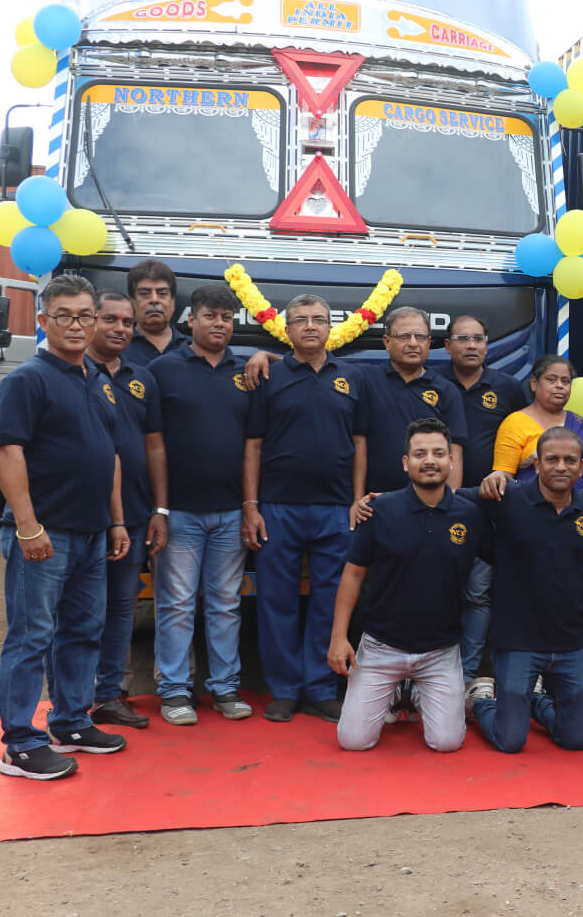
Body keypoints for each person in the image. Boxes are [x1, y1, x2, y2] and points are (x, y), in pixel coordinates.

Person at [0, 275, 131, 779]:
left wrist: (116, 521)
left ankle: (71, 722)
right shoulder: (27, 380)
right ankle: (20, 745)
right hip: (45, 534)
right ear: (43, 320)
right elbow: (8, 451)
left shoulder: (98, 381)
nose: (76, 325)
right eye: (64, 316)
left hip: (92, 533)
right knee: (31, 638)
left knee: (83, 632)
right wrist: (28, 526)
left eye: (84, 316)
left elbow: (109, 456)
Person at [242, 294, 369, 723]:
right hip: (278, 508)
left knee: (329, 601)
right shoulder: (269, 376)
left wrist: (356, 499)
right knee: (275, 600)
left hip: (336, 508)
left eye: (318, 319)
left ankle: (320, 688)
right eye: (300, 320)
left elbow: (360, 443)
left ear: (331, 327)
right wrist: (251, 505)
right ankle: (284, 689)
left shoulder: (352, 377)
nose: (310, 326)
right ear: (287, 329)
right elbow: (253, 445)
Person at [328, 419, 486, 752]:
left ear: (451, 460)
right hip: (381, 646)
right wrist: (339, 638)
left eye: (438, 453)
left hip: (440, 651)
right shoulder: (379, 510)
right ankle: (397, 689)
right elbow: (353, 574)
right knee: (353, 741)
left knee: (447, 743)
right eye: (420, 453)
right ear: (405, 462)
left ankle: (414, 691)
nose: (429, 460)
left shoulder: (471, 515)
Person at [148, 283, 255, 725]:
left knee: (226, 604)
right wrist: (160, 509)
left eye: (227, 318)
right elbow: (152, 443)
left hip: (231, 512)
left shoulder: (246, 372)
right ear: (190, 320)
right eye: (210, 316)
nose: (219, 324)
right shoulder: (162, 370)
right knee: (176, 604)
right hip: (180, 512)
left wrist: (249, 505)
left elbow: (253, 444)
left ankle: (225, 688)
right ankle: (175, 691)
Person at [464, 427, 583, 752]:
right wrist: (379, 500)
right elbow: (445, 498)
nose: (561, 467)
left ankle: (536, 702)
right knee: (510, 741)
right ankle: (481, 702)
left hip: (571, 641)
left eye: (570, 460)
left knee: (577, 739)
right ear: (537, 464)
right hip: (518, 639)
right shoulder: (507, 497)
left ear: (582, 466)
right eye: (552, 459)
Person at [82, 291, 164, 730]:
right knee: (79, 612)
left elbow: (155, 447)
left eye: (127, 322)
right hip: (79, 519)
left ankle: (111, 695)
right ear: (91, 321)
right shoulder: (73, 372)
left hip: (132, 516)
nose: (120, 328)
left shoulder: (142, 378)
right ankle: (73, 700)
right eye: (109, 319)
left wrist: (159, 508)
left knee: (120, 610)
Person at [436, 314, 528, 685]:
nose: (472, 345)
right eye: (463, 339)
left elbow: (523, 438)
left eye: (478, 339)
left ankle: (466, 675)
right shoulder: (432, 383)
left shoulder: (508, 388)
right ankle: (434, 676)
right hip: (439, 504)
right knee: (438, 590)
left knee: (478, 594)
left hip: (491, 507)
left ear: (487, 346)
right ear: (447, 346)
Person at [354, 306, 468, 495]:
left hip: (428, 502)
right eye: (404, 337)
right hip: (374, 502)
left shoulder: (447, 391)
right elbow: (359, 443)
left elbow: (454, 453)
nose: (413, 343)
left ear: (429, 343)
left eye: (420, 337)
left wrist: (449, 502)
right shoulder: (365, 380)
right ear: (387, 342)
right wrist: (358, 498)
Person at [492, 354, 583, 490]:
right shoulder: (514, 423)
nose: (560, 385)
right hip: (530, 501)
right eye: (551, 380)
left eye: (565, 381)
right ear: (534, 383)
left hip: (579, 501)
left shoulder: (577, 421)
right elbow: (503, 476)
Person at [122, 259, 189, 367]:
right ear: (132, 301)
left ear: (173, 301)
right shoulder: (118, 346)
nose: (154, 300)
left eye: (162, 293)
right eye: (144, 293)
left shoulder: (192, 349)